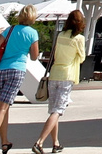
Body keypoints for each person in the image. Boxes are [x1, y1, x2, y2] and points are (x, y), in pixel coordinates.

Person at [0, 5, 39, 154]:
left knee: (2, 107)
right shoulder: (32, 33)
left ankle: (4, 141)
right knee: (2, 109)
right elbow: (34, 56)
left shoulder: (10, 30)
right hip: (17, 71)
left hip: (0, 71)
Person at [33, 11, 85, 154]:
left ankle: (55, 143)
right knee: (58, 111)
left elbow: (55, 54)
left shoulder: (60, 36)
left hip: (54, 73)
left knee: (53, 110)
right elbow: (82, 57)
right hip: (67, 75)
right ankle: (39, 142)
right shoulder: (79, 38)